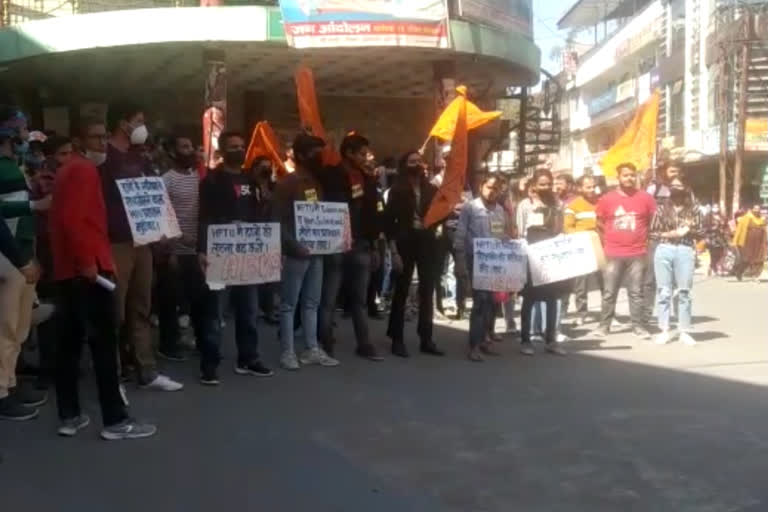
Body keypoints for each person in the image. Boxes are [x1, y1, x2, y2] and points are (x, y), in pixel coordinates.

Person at [50, 117, 156, 439]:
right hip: (89, 268)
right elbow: (74, 221)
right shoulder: (82, 171)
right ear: (80, 142)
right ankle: (115, 421)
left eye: (103, 136)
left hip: (71, 269)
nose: (101, 143)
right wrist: (89, 263)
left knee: (69, 344)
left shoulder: (69, 170)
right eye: (95, 138)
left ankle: (70, 416)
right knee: (103, 345)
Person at [101, 103, 182, 391]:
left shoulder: (142, 157)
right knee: (115, 309)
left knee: (141, 305)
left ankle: (145, 369)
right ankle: (113, 371)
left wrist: (163, 229)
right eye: (138, 121)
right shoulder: (104, 158)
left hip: (143, 240)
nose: (142, 127)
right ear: (123, 124)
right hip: (116, 241)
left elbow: (154, 195)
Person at [196, 131, 274, 384]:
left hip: (248, 253)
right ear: (222, 151)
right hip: (220, 252)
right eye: (233, 147)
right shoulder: (212, 180)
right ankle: (210, 363)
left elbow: (262, 215)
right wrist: (202, 248)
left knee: (249, 309)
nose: (239, 150)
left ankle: (248, 358)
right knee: (215, 310)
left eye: (241, 146)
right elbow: (205, 216)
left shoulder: (252, 180)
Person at [273, 134, 339, 370]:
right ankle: (288, 352)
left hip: (316, 252)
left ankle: (312, 348)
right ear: (301, 155)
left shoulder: (316, 181)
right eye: (315, 152)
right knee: (289, 304)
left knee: (312, 302)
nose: (320, 156)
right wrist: (293, 246)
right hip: (295, 253)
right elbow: (277, 221)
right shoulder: (288, 183)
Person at [0, 106, 49, 420]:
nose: (23, 132)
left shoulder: (13, 164)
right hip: (8, 257)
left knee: (17, 327)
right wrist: (35, 204)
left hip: (20, 254)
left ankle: (11, 382)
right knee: (5, 327)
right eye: (18, 126)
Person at [317, 133, 383, 361]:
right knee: (329, 298)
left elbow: (373, 214)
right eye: (362, 154)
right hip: (335, 245)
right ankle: (325, 343)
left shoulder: (368, 179)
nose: (367, 158)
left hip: (361, 245)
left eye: (367, 154)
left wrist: (374, 245)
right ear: (348, 153)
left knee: (360, 299)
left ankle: (364, 344)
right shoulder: (330, 175)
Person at [384, 150, 444, 358]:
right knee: (401, 290)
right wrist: (393, 252)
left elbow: (439, 215)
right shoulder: (397, 190)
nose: (417, 164)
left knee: (427, 291)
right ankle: (396, 338)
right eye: (412, 161)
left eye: (419, 160)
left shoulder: (431, 189)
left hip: (427, 243)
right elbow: (388, 223)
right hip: (405, 243)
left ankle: (426, 338)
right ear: (405, 165)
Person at [155, 135, 205, 362]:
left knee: (197, 299)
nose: (191, 150)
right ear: (173, 152)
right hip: (174, 251)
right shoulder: (166, 180)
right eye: (184, 146)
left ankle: (198, 337)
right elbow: (162, 216)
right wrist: (173, 248)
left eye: (191, 145)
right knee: (170, 300)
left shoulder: (199, 177)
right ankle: (168, 344)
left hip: (198, 252)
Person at [595, 163, 657, 339]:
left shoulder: (646, 198)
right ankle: (604, 326)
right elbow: (599, 223)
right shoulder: (607, 199)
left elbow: (653, 221)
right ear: (618, 177)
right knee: (609, 292)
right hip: (613, 253)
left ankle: (638, 327)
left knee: (636, 292)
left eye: (632, 175)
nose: (629, 178)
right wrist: (609, 240)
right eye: (625, 175)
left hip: (637, 253)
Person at [454, 173, 509, 362]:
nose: (492, 191)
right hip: (474, 260)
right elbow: (460, 235)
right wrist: (460, 263)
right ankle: (474, 346)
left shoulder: (500, 210)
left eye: (496, 188)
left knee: (492, 303)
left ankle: (486, 339)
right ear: (481, 187)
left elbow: (501, 235)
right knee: (479, 302)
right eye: (489, 187)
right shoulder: (470, 207)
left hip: (495, 262)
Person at [516, 169, 567, 356]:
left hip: (551, 256)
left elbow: (560, 227)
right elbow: (520, 232)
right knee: (529, 299)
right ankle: (525, 340)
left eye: (548, 184)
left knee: (552, 299)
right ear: (534, 185)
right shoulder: (525, 205)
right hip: (531, 257)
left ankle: (551, 340)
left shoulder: (557, 203)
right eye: (541, 184)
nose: (545, 187)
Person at [649, 176, 703, 346]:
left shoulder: (693, 209)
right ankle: (664, 329)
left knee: (684, 292)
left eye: (680, 185)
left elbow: (701, 232)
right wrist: (670, 234)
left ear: (685, 187)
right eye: (673, 185)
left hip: (685, 250)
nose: (676, 188)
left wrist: (689, 229)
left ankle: (684, 330)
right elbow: (652, 233)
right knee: (664, 291)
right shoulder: (661, 208)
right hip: (664, 249)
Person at [563, 175, 602, 326]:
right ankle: (581, 313)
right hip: (582, 246)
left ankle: (607, 313)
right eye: (588, 187)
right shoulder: (572, 206)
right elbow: (567, 228)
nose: (592, 190)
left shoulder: (601, 203)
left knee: (604, 281)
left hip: (599, 246)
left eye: (593, 186)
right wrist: (584, 234)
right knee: (581, 283)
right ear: (580, 188)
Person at [732, 204, 767, 281]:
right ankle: (739, 272)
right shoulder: (746, 217)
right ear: (752, 209)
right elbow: (740, 230)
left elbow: (764, 229)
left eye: (758, 209)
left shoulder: (761, 218)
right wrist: (737, 240)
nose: (757, 211)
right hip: (748, 242)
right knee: (746, 259)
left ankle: (755, 275)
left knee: (758, 259)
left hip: (758, 243)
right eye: (755, 209)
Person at [705, 205, 729, 276]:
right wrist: (713, 228)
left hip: (721, 237)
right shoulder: (708, 217)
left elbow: (726, 225)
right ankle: (712, 267)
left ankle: (718, 267)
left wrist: (724, 229)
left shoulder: (722, 216)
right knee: (713, 254)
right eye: (715, 207)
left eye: (717, 207)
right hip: (712, 237)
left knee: (721, 253)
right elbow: (705, 227)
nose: (716, 209)